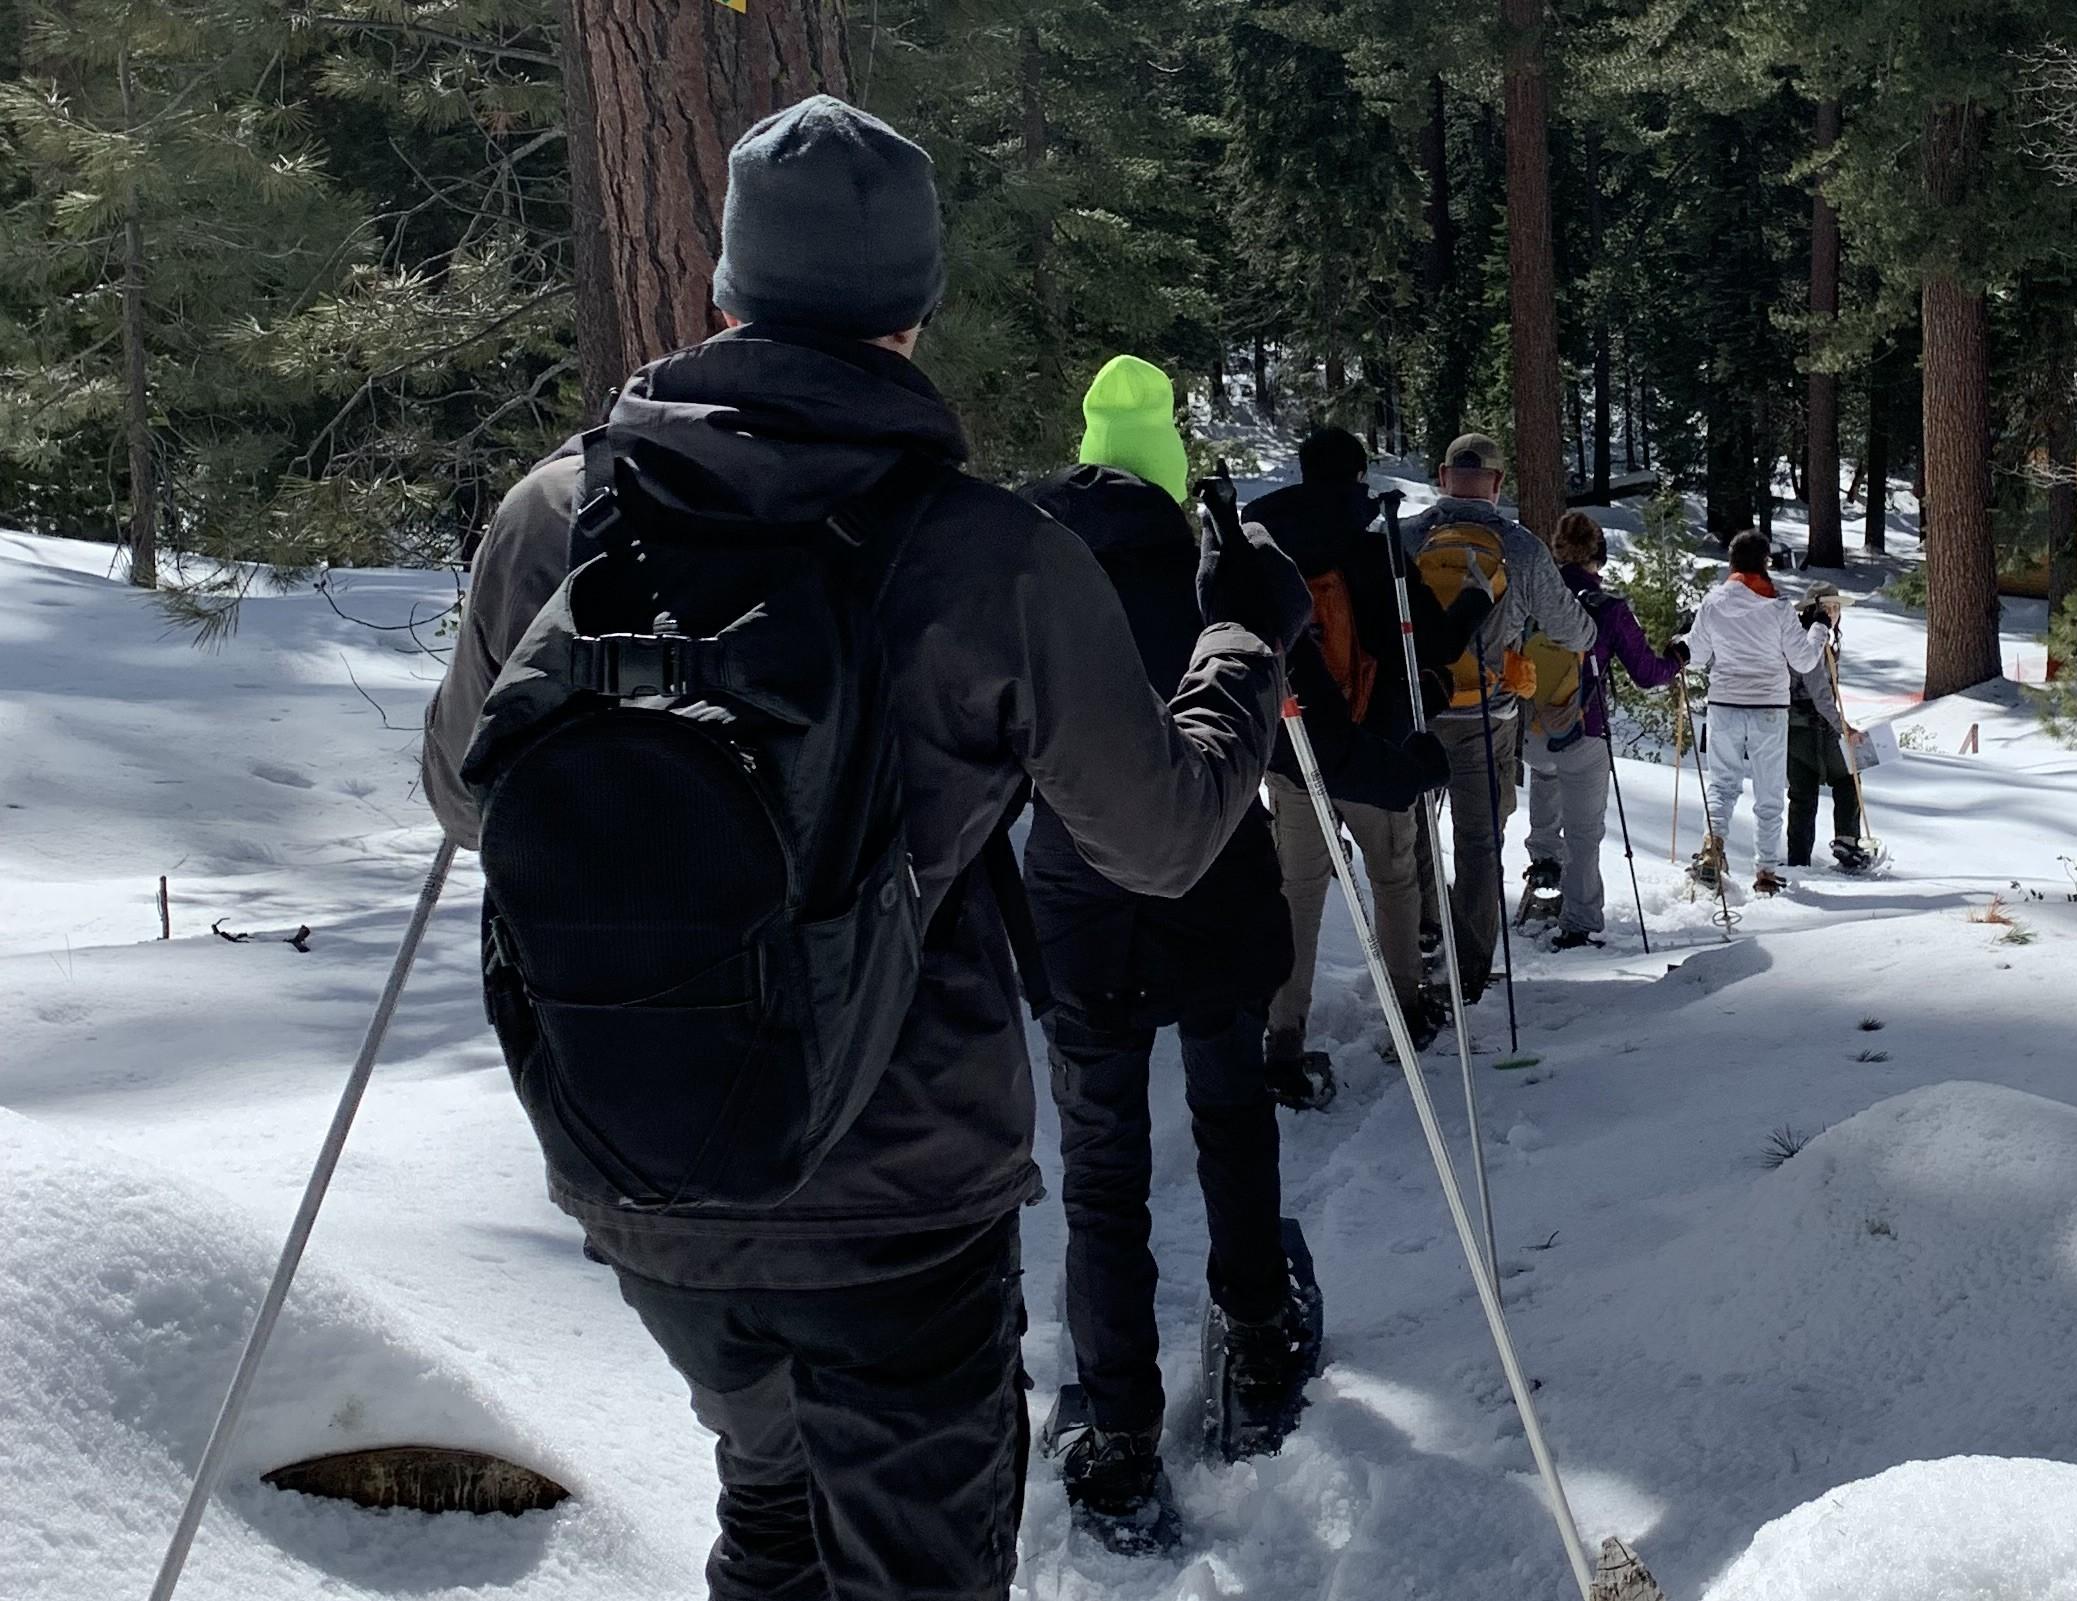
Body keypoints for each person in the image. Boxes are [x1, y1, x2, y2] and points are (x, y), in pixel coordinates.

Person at [419, 97, 1309, 1601]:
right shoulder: (987, 553)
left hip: (642, 1161)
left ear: (725, 291)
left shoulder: (559, 512)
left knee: (770, 1507)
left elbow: (464, 793)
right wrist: (1239, 640)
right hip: (901, 1196)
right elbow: (1160, 836)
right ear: (915, 309)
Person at [1015, 356, 1323, 1555]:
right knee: (1230, 1107)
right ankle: (1254, 1322)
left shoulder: (1027, 548)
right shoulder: (1216, 559)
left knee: (1101, 1160)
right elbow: (1257, 691)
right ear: (1170, 457)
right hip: (1206, 860)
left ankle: (1118, 1425)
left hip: (1076, 887)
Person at [1246, 428, 1456, 1069]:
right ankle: (1407, 1005)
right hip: (1373, 748)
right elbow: (1427, 642)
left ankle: (1285, 1032)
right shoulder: (1375, 544)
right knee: (1393, 878)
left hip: (1295, 745)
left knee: (1298, 892)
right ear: (1358, 474)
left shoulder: (1262, 540)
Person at [1408, 434, 1596, 1000]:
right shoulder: (1519, 546)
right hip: (1485, 714)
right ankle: (1470, 966)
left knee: (1414, 824)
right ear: (1497, 482)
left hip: (1416, 706)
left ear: (1444, 476)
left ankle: (1421, 928)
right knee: (1478, 839)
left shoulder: (1405, 536)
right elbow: (1571, 629)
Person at [1520, 511, 1688, 949]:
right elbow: (1648, 674)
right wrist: (1677, 660)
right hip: (1581, 730)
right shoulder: (1608, 609)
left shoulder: (1535, 598)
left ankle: (1543, 864)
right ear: (1600, 554)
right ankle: (1578, 920)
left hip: (1531, 730)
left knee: (1544, 773)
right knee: (1584, 831)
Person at [1685, 529, 1833, 896]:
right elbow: (1802, 659)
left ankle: (1712, 846)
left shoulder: (1713, 603)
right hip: (1769, 705)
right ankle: (1765, 870)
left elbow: (1697, 657)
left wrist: (1681, 642)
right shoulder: (1778, 606)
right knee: (1768, 791)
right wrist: (1819, 627)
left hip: (1725, 703)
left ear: (1731, 562)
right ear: (1765, 562)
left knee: (1722, 784)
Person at [1785, 580, 1873, 872]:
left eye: (1836, 608)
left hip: (1791, 727)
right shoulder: (1812, 644)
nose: (1833, 613)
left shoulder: (1797, 639)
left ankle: (1798, 860)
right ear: (1813, 611)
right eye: (1828, 608)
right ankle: (1848, 842)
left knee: (1802, 793)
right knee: (1848, 776)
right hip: (1812, 728)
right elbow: (1821, 696)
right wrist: (1843, 727)